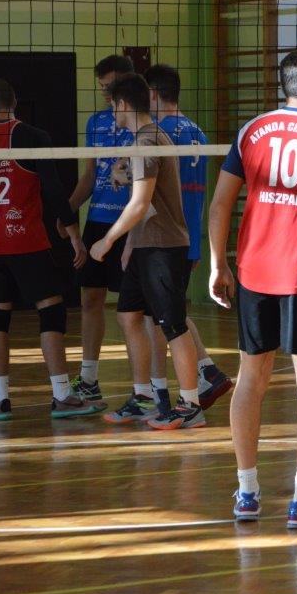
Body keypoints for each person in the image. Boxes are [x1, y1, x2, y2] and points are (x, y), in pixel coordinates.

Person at [209, 49, 297, 529]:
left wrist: (217, 263)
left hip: (254, 272)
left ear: (282, 85)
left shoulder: (251, 131)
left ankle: (247, 491)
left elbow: (220, 203)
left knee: (251, 379)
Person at [89, 74, 202, 430]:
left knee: (173, 325)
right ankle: (143, 397)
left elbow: (140, 204)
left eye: (113, 105)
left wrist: (108, 241)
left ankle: (190, 405)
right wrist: (131, 246)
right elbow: (146, 203)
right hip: (145, 245)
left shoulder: (149, 140)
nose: (112, 111)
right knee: (128, 315)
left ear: (123, 104)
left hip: (164, 247)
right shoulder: (143, 140)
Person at [0, 78, 101, 419]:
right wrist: (75, 235)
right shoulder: (35, 137)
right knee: (51, 310)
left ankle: (0, 399)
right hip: (27, 242)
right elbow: (54, 192)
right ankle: (62, 395)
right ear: (15, 103)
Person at [142, 64, 233, 409]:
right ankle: (205, 371)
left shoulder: (159, 133)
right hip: (191, 232)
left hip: (168, 235)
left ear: (152, 94)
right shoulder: (197, 131)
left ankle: (168, 389)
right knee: (170, 310)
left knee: (166, 316)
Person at [69, 54, 136, 403]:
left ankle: (143, 388)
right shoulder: (95, 122)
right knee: (90, 298)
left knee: (132, 310)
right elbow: (90, 176)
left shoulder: (143, 123)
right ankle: (89, 379)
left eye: (111, 86)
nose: (106, 93)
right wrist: (68, 208)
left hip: (131, 222)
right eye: (102, 88)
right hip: (98, 220)